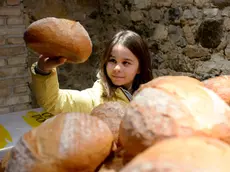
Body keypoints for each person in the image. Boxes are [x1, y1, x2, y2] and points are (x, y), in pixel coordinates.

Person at [30, 30, 153, 115]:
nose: (116, 68)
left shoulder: (154, 96)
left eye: (126, 63)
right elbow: (54, 101)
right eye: (112, 60)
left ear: (139, 68)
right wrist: (43, 71)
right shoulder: (96, 100)